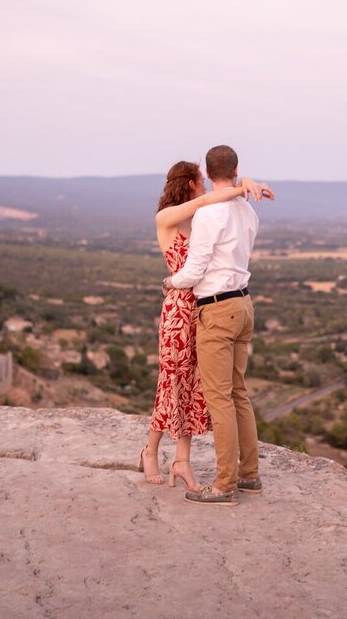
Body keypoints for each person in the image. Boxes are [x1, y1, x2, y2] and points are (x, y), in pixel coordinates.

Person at [140, 159, 272, 492]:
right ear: (189, 185)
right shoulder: (168, 218)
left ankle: (181, 461)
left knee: (192, 387)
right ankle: (150, 451)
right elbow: (207, 200)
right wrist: (241, 185)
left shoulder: (202, 218)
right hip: (178, 311)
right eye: (199, 180)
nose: (203, 184)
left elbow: (218, 201)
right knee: (170, 383)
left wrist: (241, 185)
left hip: (203, 309)